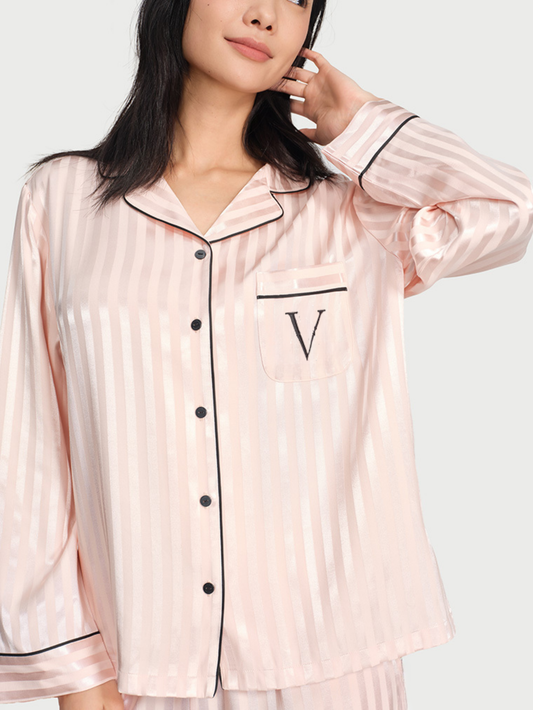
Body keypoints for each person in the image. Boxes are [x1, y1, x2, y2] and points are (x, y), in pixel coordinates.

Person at [0, 1, 532, 709]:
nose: (266, 15)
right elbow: (30, 447)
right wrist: (74, 672)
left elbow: (512, 211)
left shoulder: (352, 213)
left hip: (335, 668)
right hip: (141, 669)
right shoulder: (63, 201)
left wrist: (362, 124)